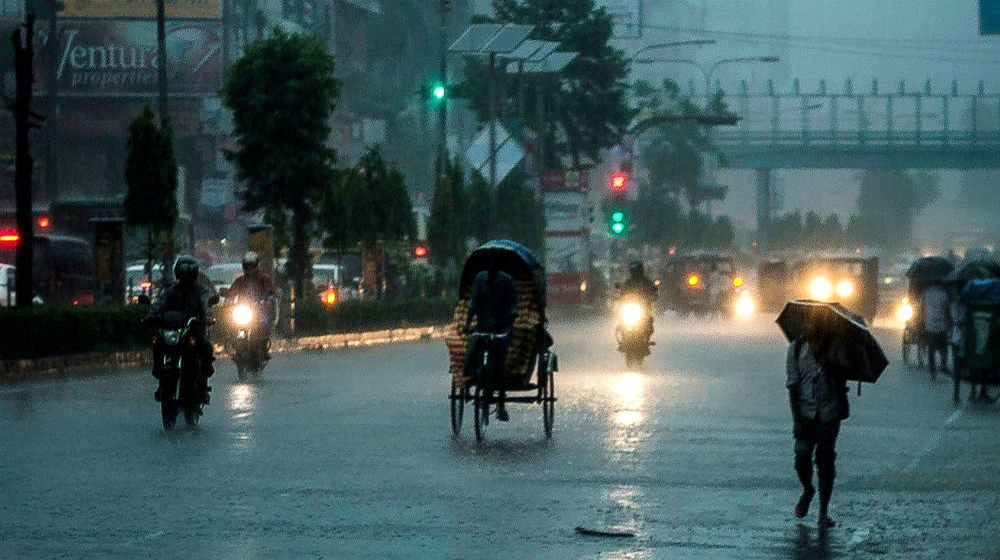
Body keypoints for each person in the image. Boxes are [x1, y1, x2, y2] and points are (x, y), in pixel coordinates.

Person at [786, 322, 849, 528]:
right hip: (805, 414)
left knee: (826, 461)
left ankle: (823, 512)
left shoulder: (836, 348)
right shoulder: (795, 349)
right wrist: (796, 420)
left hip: (830, 414)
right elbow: (792, 386)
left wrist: (828, 360)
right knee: (801, 457)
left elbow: (846, 372)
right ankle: (808, 489)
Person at [145, 255, 216, 404]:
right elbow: (159, 304)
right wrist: (150, 316)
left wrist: (207, 315)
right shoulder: (171, 290)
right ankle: (161, 378)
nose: (186, 277)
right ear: (178, 273)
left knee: (206, 348)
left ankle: (201, 385)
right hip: (173, 331)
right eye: (183, 273)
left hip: (192, 331)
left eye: (189, 273)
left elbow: (206, 303)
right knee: (157, 342)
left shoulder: (200, 290)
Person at [463, 255, 519, 421]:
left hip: (500, 329)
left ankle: (501, 405)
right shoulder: (480, 279)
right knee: (471, 353)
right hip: (481, 327)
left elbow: (513, 307)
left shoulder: (507, 281)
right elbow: (473, 303)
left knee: (500, 367)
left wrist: (509, 325)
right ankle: (468, 381)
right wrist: (467, 323)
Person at [227, 251, 278, 356]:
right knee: (232, 325)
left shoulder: (263, 279)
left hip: (260, 310)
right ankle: (233, 344)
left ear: (256, 265)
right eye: (247, 265)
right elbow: (231, 293)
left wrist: (269, 300)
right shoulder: (240, 280)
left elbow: (271, 292)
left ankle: (263, 347)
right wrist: (228, 301)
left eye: (251, 265)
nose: (249, 268)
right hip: (243, 310)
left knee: (263, 325)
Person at [619, 259, 657, 341]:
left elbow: (653, 291)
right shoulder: (628, 282)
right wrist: (620, 297)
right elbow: (622, 292)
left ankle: (646, 336)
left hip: (643, 307)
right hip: (630, 307)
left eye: (637, 270)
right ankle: (623, 337)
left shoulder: (646, 282)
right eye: (634, 270)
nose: (635, 272)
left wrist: (652, 296)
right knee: (621, 320)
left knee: (648, 320)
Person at [922, 282, 950, 378]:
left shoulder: (926, 293)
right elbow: (947, 309)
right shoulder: (944, 295)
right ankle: (943, 364)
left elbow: (922, 308)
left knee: (931, 349)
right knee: (944, 347)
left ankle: (932, 370)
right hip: (941, 325)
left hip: (929, 325)